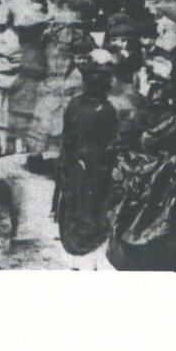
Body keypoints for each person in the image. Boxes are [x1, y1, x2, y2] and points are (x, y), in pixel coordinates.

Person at [106, 62, 176, 271]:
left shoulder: (139, 117)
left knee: (141, 221)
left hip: (146, 179)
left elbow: (121, 145)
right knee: (161, 222)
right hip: (159, 179)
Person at [53, 64, 121, 258]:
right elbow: (112, 138)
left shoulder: (74, 103)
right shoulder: (107, 110)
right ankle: (86, 238)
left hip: (73, 159)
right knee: (91, 199)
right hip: (96, 163)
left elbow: (67, 132)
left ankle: (71, 235)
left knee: (73, 196)